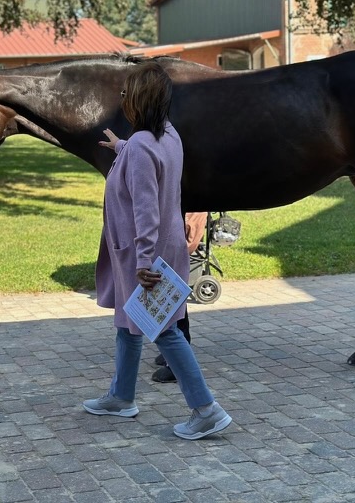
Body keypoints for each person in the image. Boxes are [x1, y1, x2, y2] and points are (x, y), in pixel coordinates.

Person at [82, 60, 232, 440]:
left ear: (137, 100)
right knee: (128, 324)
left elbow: (145, 210)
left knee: (163, 330)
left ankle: (206, 409)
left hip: (143, 255)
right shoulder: (167, 136)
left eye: (124, 94)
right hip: (159, 249)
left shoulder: (142, 149)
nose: (122, 99)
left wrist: (144, 263)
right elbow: (145, 154)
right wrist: (121, 146)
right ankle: (121, 396)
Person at [152, 212, 209, 383]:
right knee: (171, 296)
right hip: (176, 226)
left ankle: (177, 360)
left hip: (179, 229)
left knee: (173, 296)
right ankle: (174, 352)